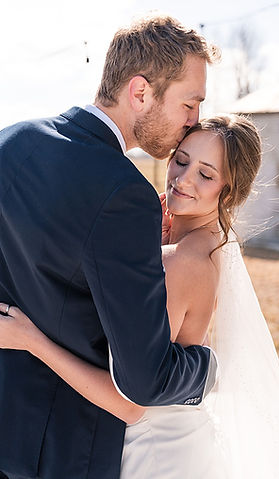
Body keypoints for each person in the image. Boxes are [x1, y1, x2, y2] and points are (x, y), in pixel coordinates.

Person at [0, 15, 219, 479]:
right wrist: (208, 367)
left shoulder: (11, 142)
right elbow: (145, 381)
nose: (194, 121)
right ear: (140, 93)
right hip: (61, 452)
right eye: (189, 103)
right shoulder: (125, 194)